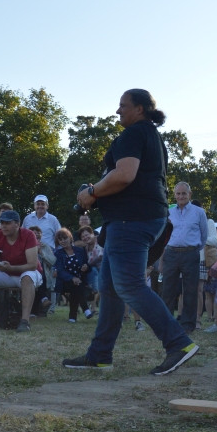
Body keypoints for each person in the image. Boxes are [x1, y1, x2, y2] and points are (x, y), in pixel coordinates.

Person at [63, 89, 199, 375]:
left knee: (129, 285)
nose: (117, 111)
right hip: (135, 219)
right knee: (110, 288)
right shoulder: (150, 136)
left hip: (131, 220)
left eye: (122, 106)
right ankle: (99, 355)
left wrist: (91, 193)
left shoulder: (134, 134)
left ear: (139, 108)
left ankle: (178, 343)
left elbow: (124, 175)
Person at [159, 182, 208, 333]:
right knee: (168, 290)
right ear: (174, 195)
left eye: (184, 193)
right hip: (171, 252)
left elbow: (204, 235)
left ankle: (188, 325)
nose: (181, 196)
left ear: (189, 194)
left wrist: (193, 249)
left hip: (190, 253)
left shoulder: (199, 212)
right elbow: (163, 234)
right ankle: (166, 324)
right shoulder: (168, 211)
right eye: (178, 194)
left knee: (191, 290)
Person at [22, 194, 62, 302]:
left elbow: (59, 236)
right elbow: (21, 236)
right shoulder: (27, 219)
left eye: (42, 204)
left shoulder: (53, 219)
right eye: (38, 204)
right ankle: (40, 300)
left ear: (47, 206)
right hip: (30, 252)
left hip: (48, 253)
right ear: (34, 206)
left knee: (45, 273)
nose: (40, 206)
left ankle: (46, 302)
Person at [53, 227, 93, 323]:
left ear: (70, 238)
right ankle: (85, 308)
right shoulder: (58, 253)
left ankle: (72, 317)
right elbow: (60, 271)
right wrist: (72, 278)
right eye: (60, 239)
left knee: (77, 286)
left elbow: (88, 265)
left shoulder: (80, 250)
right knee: (76, 285)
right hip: (64, 282)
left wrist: (86, 266)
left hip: (80, 280)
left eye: (65, 238)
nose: (63, 241)